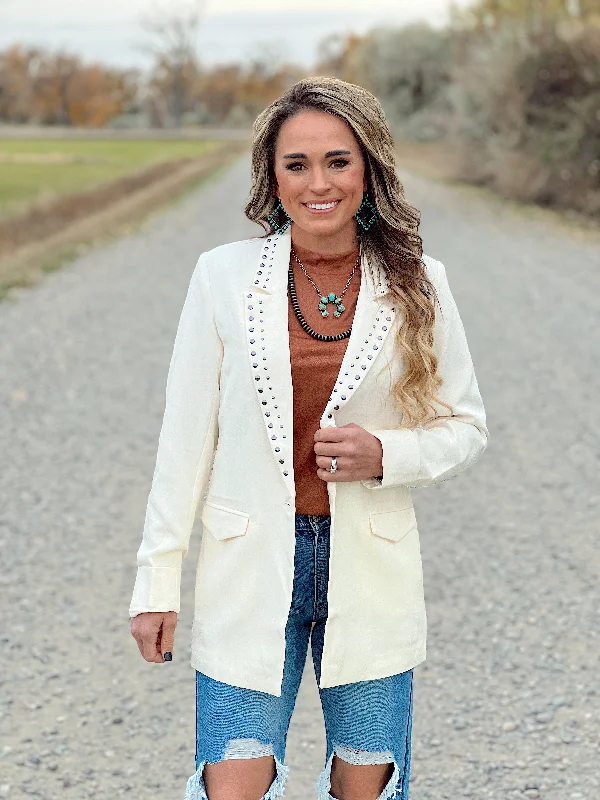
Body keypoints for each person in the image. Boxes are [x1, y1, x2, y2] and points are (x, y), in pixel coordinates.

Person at [129, 76, 489, 800]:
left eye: (337, 160)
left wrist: (387, 454)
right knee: (232, 785)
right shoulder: (222, 277)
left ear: (369, 169)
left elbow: (466, 427)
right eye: (297, 164)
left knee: (369, 789)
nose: (318, 182)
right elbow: (184, 440)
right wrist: (156, 581)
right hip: (248, 569)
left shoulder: (420, 281)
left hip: (370, 573)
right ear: (272, 175)